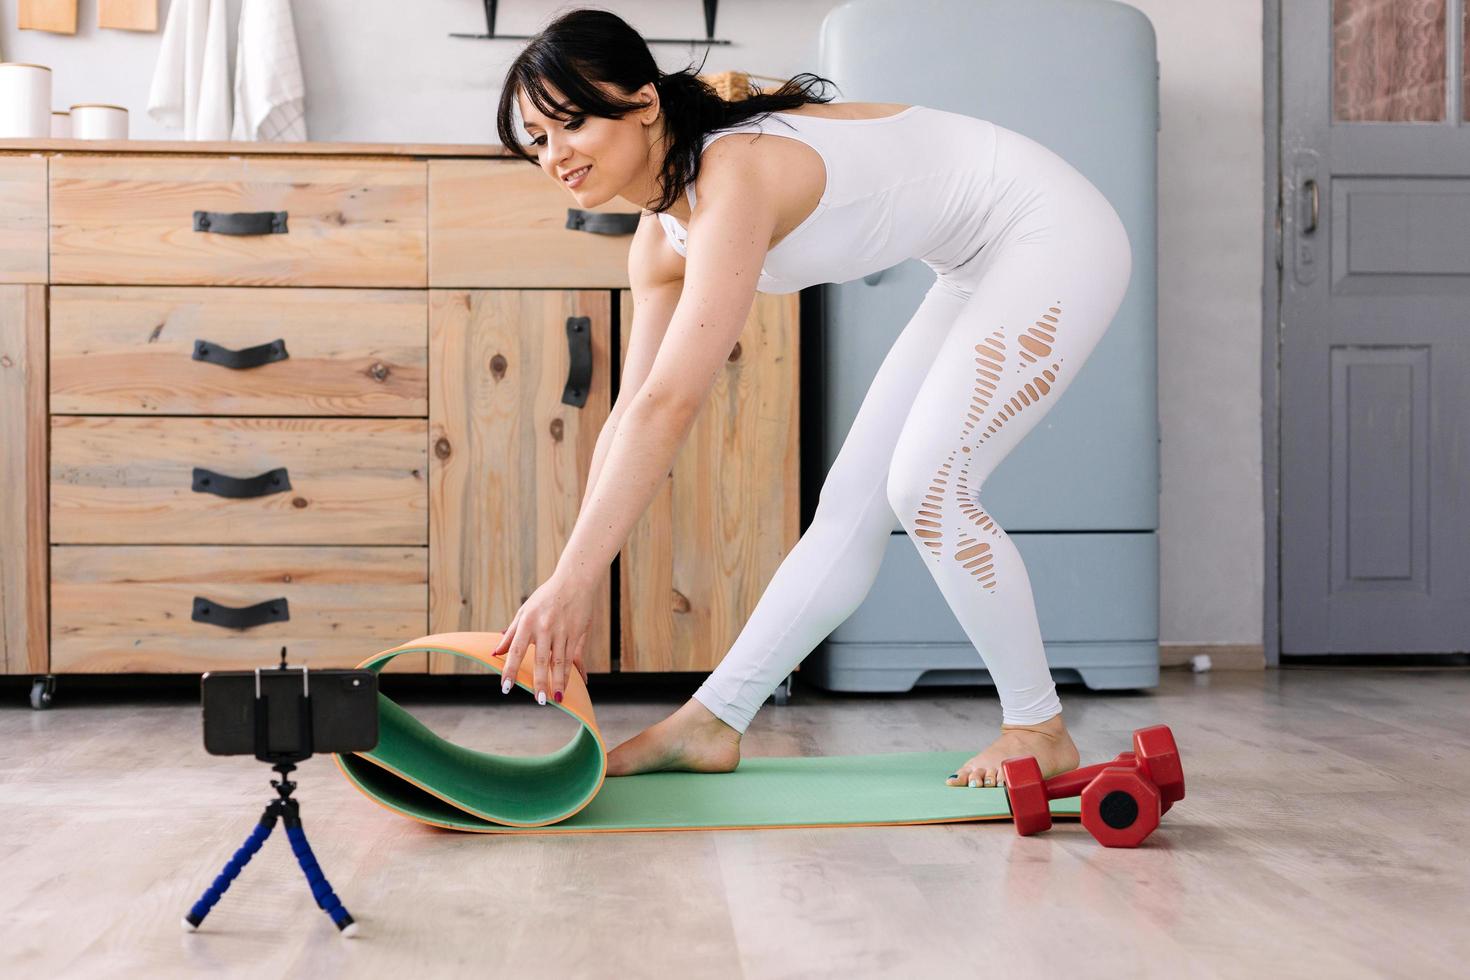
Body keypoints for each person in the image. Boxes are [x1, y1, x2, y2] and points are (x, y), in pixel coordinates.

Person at [490, 8, 1131, 789]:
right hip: (973, 265)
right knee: (851, 509)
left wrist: (573, 588)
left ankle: (1039, 727)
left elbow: (672, 404)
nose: (555, 156)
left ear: (645, 102)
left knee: (927, 488)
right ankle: (712, 722)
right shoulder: (659, 239)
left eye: (572, 124)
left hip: (1050, 228)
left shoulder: (734, 174)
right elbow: (633, 411)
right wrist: (566, 577)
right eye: (537, 139)